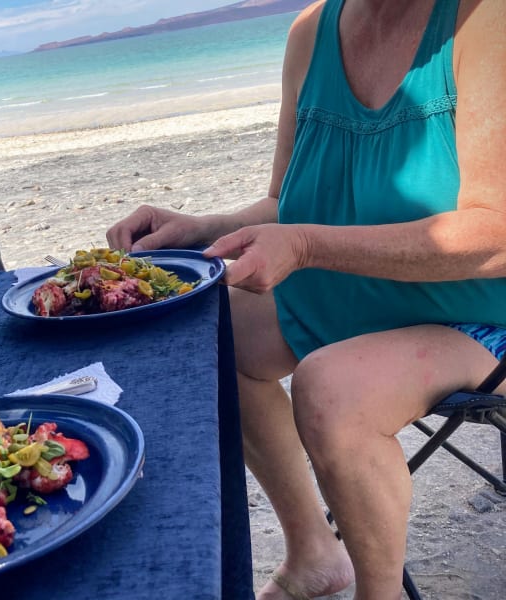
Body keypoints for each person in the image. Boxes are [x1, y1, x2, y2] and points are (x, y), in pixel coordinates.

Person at [106, 0, 506, 598]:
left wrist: (307, 246)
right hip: (354, 292)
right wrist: (202, 227)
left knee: (332, 387)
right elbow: (285, 203)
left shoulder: (487, 19)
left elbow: (495, 235)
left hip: (479, 316)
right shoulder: (311, 32)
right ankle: (314, 552)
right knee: (205, 329)